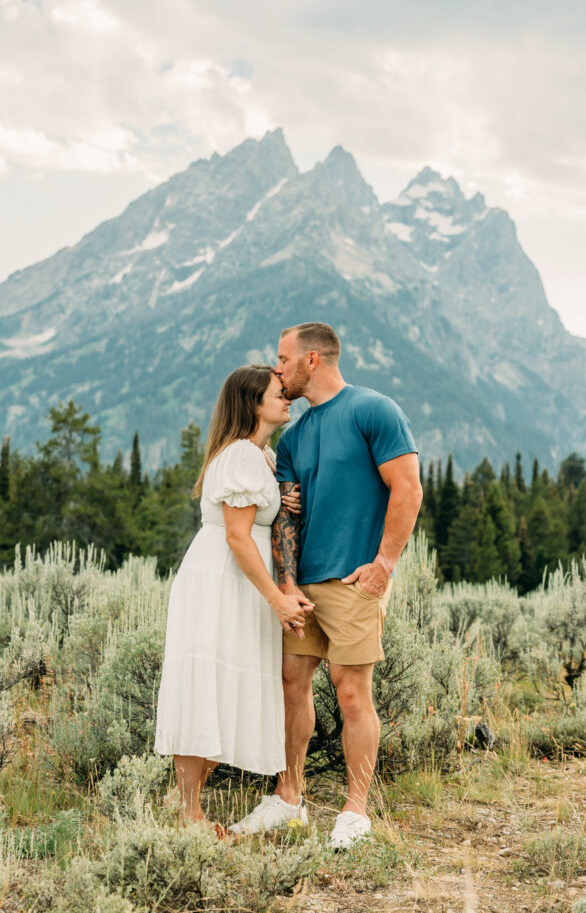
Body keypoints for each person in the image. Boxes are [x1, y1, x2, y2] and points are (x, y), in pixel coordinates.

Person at [229, 323, 423, 849]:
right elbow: (288, 517)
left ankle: (355, 811)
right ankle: (288, 799)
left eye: (282, 357)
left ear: (311, 360)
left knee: (352, 692)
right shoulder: (293, 436)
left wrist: (385, 563)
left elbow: (408, 487)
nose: (277, 368)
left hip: (354, 580)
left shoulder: (373, 410)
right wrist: (287, 584)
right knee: (292, 685)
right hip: (304, 587)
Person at [154, 364, 313, 825]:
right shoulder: (243, 455)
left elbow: (254, 517)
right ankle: (189, 814)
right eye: (278, 393)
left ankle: (183, 803)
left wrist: (280, 499)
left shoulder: (259, 457)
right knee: (206, 684)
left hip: (238, 584)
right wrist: (278, 598)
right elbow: (239, 538)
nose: (288, 398)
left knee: (223, 688)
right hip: (223, 581)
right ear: (252, 403)